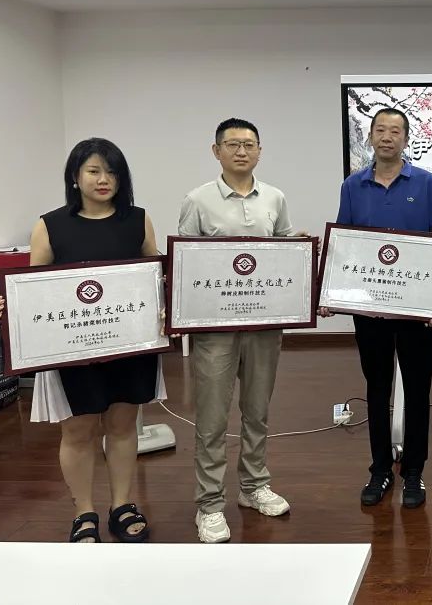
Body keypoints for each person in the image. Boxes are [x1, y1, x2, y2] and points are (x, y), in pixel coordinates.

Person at [0, 138, 163, 543]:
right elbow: (33, 288)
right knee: (78, 430)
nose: (104, 179)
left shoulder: (138, 220)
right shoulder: (50, 225)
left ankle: (122, 505)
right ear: (75, 177)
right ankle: (84, 512)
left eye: (112, 171)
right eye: (94, 171)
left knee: (122, 425)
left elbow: (154, 276)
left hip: (128, 344)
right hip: (73, 348)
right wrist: (5, 303)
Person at [179, 118, 297, 543]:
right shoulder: (198, 200)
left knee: (257, 409)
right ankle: (210, 503)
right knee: (212, 416)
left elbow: (284, 249)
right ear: (217, 151)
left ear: (260, 151)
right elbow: (185, 263)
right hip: (215, 328)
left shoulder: (275, 198)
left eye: (249, 144)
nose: (241, 151)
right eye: (232, 144)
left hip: (263, 324)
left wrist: (298, 250)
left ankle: (253, 485)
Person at [321, 107, 432, 509]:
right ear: (371, 137)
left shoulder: (426, 183)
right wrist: (331, 293)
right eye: (380, 130)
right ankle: (379, 469)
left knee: (418, 389)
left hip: (415, 309)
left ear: (406, 139)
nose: (387, 137)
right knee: (376, 388)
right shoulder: (352, 185)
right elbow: (345, 243)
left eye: (395, 131)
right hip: (370, 308)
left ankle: (414, 471)